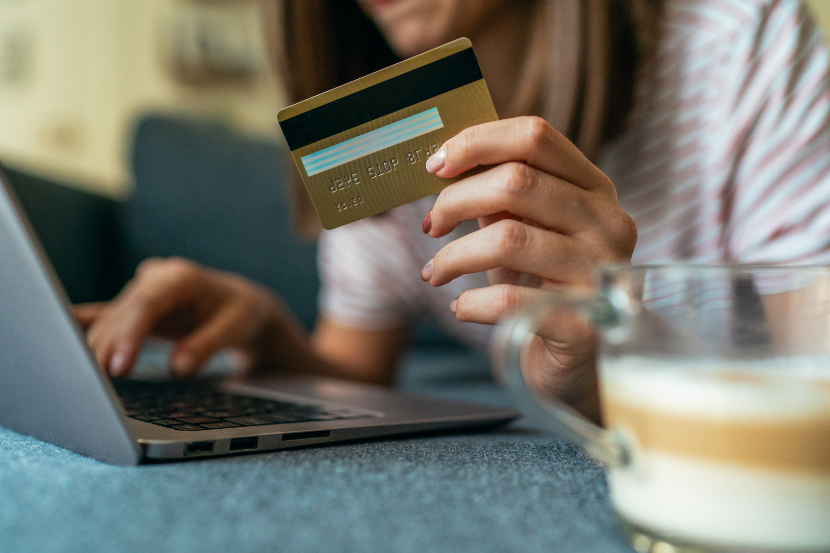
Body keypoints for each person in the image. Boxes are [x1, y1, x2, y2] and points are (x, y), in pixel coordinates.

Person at [76, 0, 830, 422]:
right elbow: (356, 373)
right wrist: (270, 333)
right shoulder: (373, 123)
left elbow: (818, 384)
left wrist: (607, 366)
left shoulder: (745, 47)